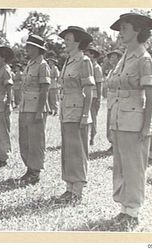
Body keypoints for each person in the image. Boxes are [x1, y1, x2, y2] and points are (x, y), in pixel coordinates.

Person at [109, 13, 152, 227]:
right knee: (121, 165)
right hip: (120, 118)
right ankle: (124, 208)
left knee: (134, 167)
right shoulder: (125, 57)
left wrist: (146, 126)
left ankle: (133, 210)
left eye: (125, 27)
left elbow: (151, 95)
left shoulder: (144, 58)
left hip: (135, 121)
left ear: (137, 30)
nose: (121, 32)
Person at [58, 26, 94, 204]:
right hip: (66, 110)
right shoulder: (68, 61)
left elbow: (89, 90)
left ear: (78, 42)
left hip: (78, 111)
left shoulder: (84, 61)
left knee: (78, 151)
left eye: (68, 39)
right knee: (68, 150)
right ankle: (69, 188)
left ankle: (77, 191)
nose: (65, 42)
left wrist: (86, 114)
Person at [18, 34, 50, 185]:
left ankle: (35, 171)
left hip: (36, 107)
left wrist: (39, 111)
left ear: (38, 49)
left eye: (30, 47)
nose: (27, 49)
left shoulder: (43, 65)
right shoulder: (30, 64)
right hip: (25, 106)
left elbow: (44, 90)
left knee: (36, 141)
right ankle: (29, 169)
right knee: (24, 140)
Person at [104, 49, 123, 153]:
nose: (111, 59)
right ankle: (112, 142)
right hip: (110, 98)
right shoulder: (111, 71)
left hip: (117, 98)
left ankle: (117, 144)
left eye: (113, 57)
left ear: (119, 58)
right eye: (110, 57)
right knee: (110, 121)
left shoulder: (121, 70)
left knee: (116, 121)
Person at [85, 46, 103, 146]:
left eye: (88, 54)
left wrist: (99, 98)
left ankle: (92, 137)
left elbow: (99, 84)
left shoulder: (97, 68)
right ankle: (87, 136)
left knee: (93, 117)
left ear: (93, 55)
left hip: (94, 95)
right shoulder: (87, 66)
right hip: (86, 94)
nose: (86, 56)